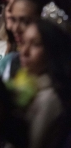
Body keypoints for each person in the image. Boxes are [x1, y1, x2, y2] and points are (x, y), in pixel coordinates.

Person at [19, 19, 71, 148]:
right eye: (23, 42)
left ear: (53, 50)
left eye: (35, 44)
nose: (24, 51)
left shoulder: (49, 98)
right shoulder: (26, 85)